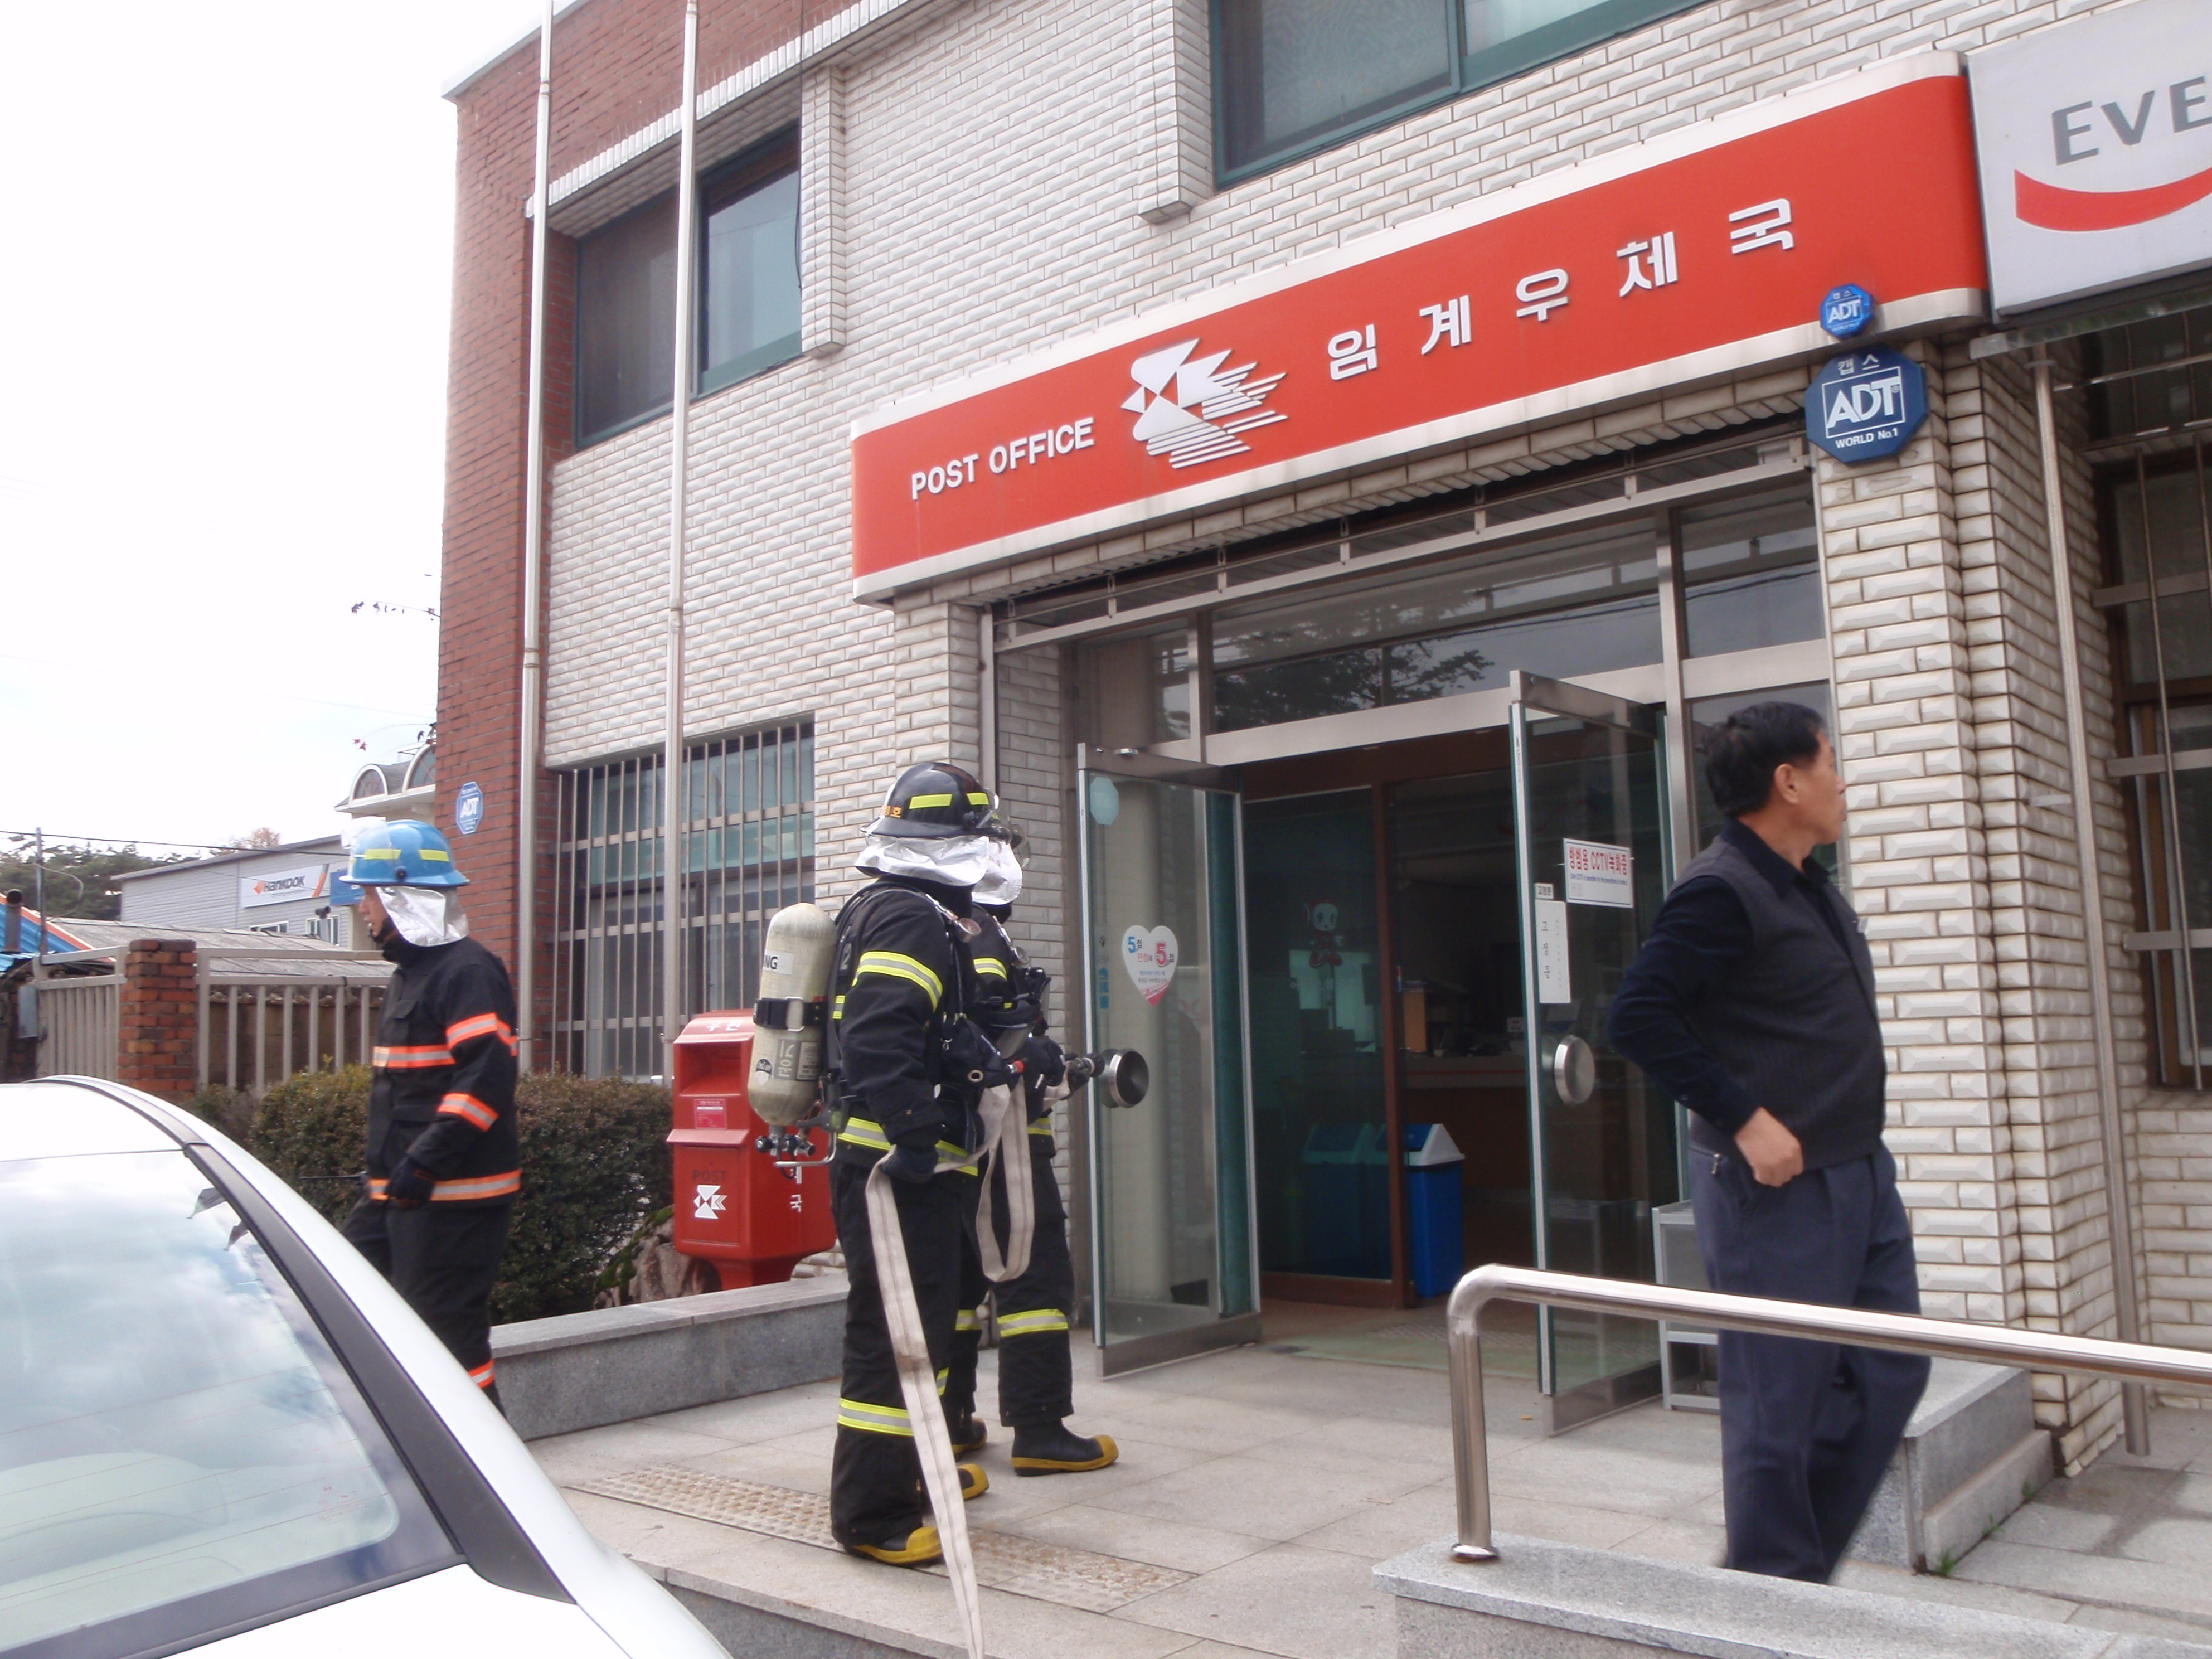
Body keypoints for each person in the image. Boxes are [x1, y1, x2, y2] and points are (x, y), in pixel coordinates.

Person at [1608, 702, 1926, 1583]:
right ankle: (1772, 1588)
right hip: (1777, 1191)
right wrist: (1745, 1118)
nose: (1842, 782)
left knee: (1892, 1370)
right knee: (1777, 1405)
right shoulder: (1721, 890)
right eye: (1830, 763)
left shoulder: (1808, 883)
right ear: (1789, 781)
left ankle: (1789, 1570)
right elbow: (1638, 1016)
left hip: (1859, 1171)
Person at [824, 761, 1011, 1566]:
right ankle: (872, 1516)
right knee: (892, 1333)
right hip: (896, 1169)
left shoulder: (892, 909)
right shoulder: (911, 919)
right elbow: (876, 1033)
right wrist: (913, 1133)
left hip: (901, 1163)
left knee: (922, 1328)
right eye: (982, 836)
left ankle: (913, 1471)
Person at [943, 832, 1119, 1477]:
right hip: (1007, 1143)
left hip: (961, 1146)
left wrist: (1056, 1065)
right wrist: (1037, 1057)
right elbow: (992, 1039)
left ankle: (950, 1420)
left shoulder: (946, 932)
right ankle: (1040, 1428)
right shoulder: (983, 937)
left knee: (961, 1285)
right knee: (1034, 1279)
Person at [338, 819, 520, 1409]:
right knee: (343, 1294)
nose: (362, 907)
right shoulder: (409, 976)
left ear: (400, 896)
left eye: (368, 894)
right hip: (402, 1192)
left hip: (452, 1198)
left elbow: (485, 1079)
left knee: (449, 1342)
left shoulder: (467, 971)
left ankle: (484, 1454)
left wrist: (424, 1163)